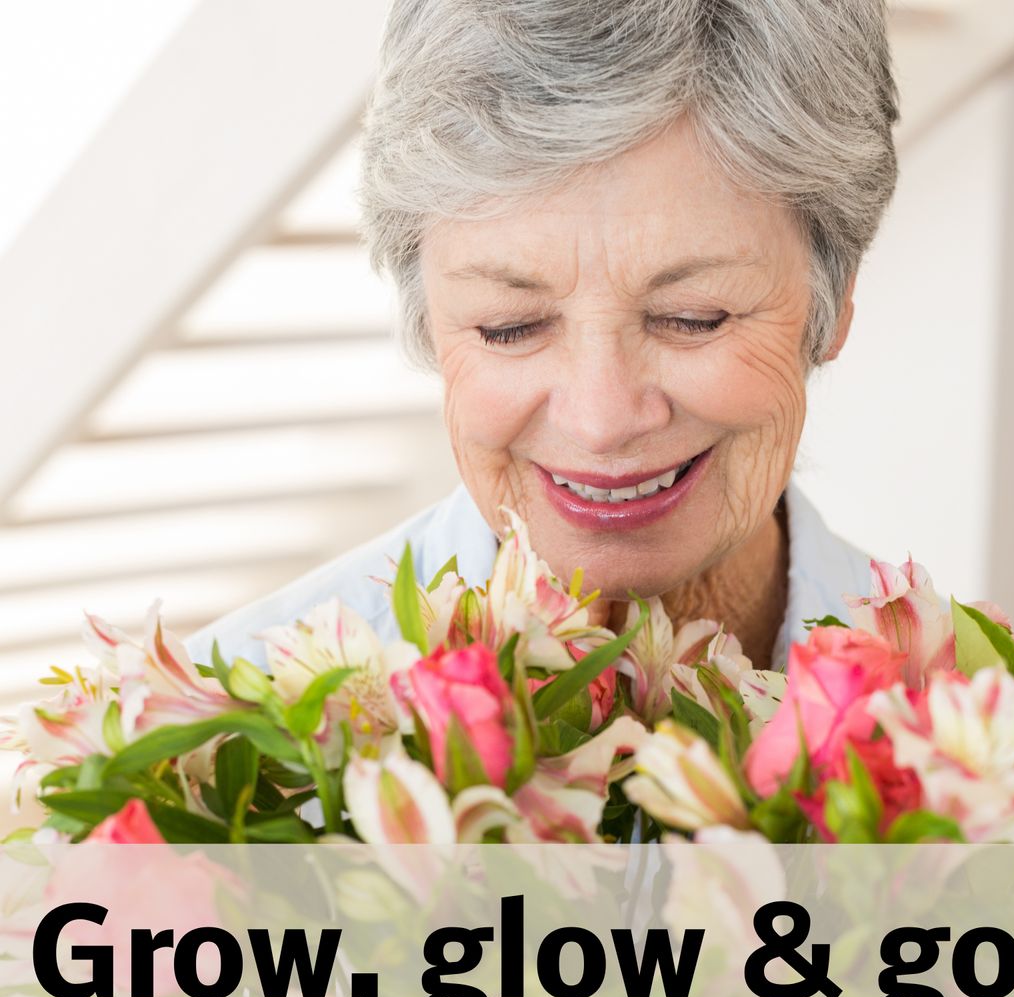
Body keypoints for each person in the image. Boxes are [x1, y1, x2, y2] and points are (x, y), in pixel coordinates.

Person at [187, 0, 898, 672]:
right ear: (428, 322)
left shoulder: (1001, 733)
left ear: (833, 303)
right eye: (510, 327)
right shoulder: (203, 740)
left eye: (692, 318)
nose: (600, 422)